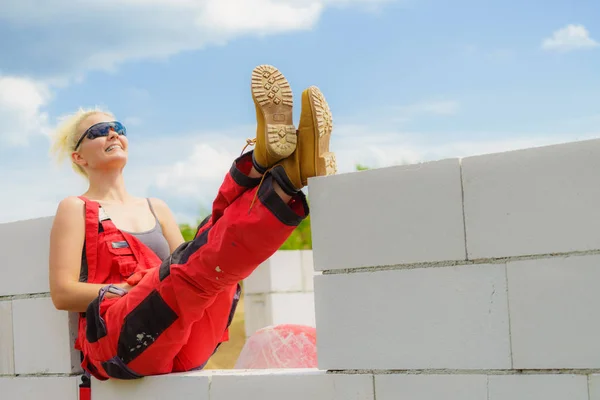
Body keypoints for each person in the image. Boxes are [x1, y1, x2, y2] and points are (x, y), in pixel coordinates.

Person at [48, 64, 336, 382]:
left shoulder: (156, 207)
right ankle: (275, 174)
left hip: (182, 336)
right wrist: (133, 290)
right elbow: (63, 293)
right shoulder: (76, 208)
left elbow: (193, 257)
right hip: (119, 341)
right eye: (98, 132)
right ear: (79, 157)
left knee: (208, 242)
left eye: (117, 127)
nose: (113, 133)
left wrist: (154, 283)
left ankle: (275, 172)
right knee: (190, 272)